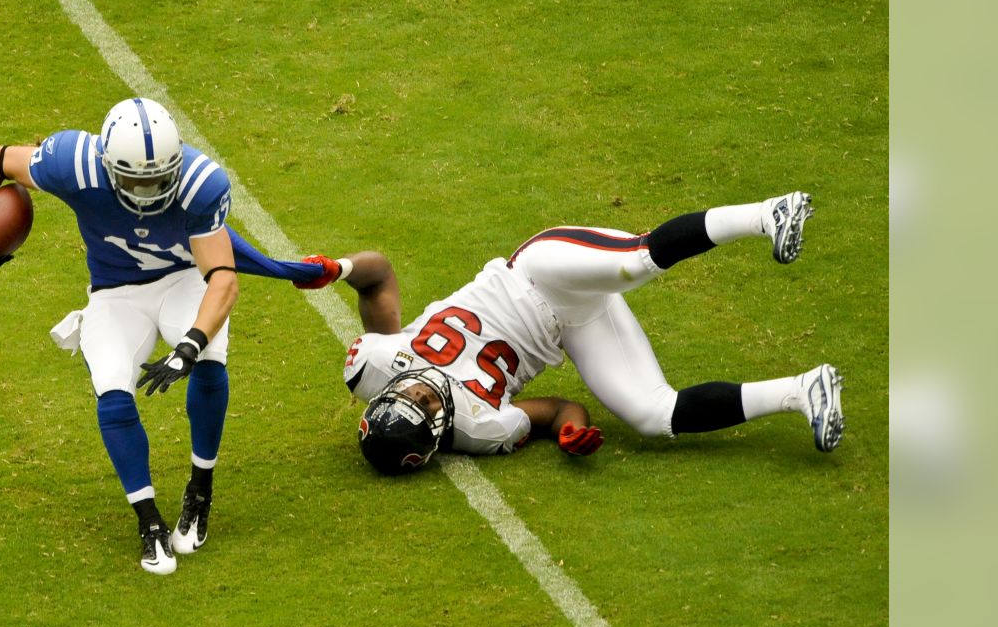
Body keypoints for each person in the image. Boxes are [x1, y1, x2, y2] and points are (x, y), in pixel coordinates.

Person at [0, 97, 278, 575]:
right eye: (134, 179)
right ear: (107, 166)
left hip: (183, 279)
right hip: (116, 293)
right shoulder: (73, 162)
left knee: (210, 358)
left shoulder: (201, 183)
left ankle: (200, 489)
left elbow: (223, 280)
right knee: (112, 390)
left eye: (157, 178)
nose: (146, 190)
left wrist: (187, 347)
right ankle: (148, 522)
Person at [294, 192, 844, 475]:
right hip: (571, 323)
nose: (418, 389)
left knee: (634, 261)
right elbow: (558, 408)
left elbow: (379, 273)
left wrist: (338, 268)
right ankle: (803, 391)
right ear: (437, 433)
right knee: (654, 416)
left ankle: (769, 213)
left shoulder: (375, 360)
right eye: (422, 404)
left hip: (537, 270)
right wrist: (570, 437)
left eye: (406, 393)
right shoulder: (481, 430)